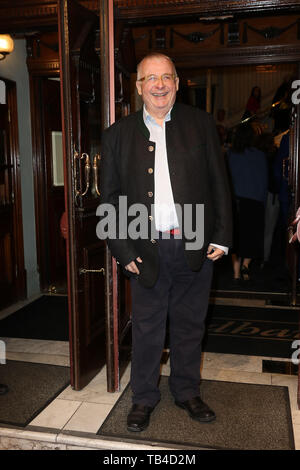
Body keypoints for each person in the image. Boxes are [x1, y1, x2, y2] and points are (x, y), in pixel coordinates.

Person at [99, 53, 232, 432]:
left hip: (194, 245)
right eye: (150, 79)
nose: (159, 85)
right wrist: (122, 251)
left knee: (191, 326)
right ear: (139, 87)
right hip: (145, 250)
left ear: (177, 82)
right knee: (147, 329)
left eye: (166, 77)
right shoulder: (117, 135)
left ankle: (187, 391)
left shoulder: (201, 124)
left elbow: (219, 183)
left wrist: (222, 236)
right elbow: (108, 200)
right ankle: (143, 398)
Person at [227, 124, 268, 281]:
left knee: (236, 238)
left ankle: (236, 271)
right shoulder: (259, 155)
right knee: (252, 237)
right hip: (255, 201)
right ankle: (246, 265)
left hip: (236, 201)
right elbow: (263, 181)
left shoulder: (231, 154)